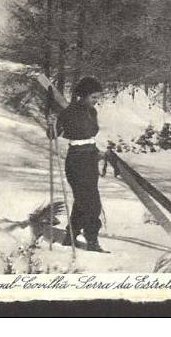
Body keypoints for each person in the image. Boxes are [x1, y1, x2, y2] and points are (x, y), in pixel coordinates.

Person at [48, 76, 108, 253]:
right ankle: (92, 241)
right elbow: (52, 135)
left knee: (83, 201)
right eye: (93, 97)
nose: (96, 101)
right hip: (76, 162)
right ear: (82, 95)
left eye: (98, 97)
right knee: (92, 204)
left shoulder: (92, 112)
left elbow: (89, 137)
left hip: (90, 159)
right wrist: (51, 123)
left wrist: (98, 154)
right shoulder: (68, 112)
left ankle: (71, 235)